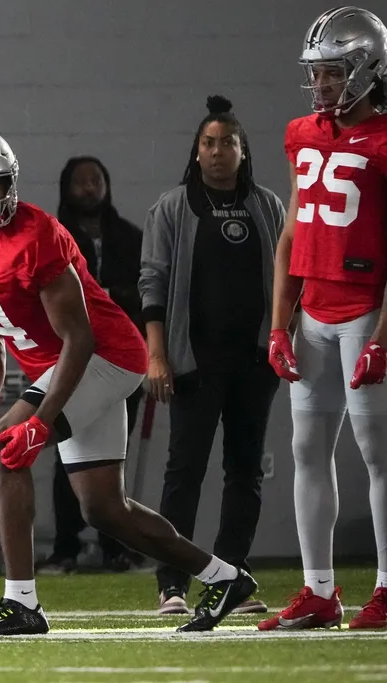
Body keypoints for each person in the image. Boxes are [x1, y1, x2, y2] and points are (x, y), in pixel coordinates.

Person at [0, 125, 257, 637]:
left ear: (10, 183)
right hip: (62, 367)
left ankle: (21, 603)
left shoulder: (37, 234)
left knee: (5, 451)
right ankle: (225, 578)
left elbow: (78, 340)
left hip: (103, 356)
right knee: (106, 510)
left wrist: (38, 421)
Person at [262, 7, 387, 631]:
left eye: (333, 73)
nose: (321, 86)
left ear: (367, 69)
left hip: (367, 308)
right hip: (313, 311)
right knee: (306, 450)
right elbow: (290, 233)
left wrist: (386, 335)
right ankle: (320, 592)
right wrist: (279, 321)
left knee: (378, 454)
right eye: (316, 74)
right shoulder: (301, 132)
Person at [139, 96, 285, 616]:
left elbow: (288, 281)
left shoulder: (267, 206)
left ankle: (231, 576)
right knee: (184, 472)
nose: (218, 151)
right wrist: (157, 355)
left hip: (254, 362)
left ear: (244, 152)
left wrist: (282, 339)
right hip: (193, 362)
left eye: (228, 143)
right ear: (196, 152)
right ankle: (172, 582)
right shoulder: (173, 207)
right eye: (209, 143)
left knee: (245, 470)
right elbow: (152, 282)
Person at [40, 155, 146, 575]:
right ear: (66, 187)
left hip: (119, 360)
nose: (88, 188)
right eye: (80, 181)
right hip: (70, 360)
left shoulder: (130, 238)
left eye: (95, 180)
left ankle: (115, 548)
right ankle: (66, 547)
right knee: (65, 452)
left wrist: (110, 294)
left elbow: (147, 290)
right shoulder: (53, 237)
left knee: (111, 458)